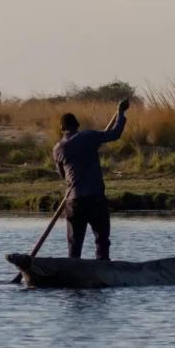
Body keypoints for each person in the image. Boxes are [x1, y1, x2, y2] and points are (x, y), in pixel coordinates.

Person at [53, 99, 130, 260]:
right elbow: (115, 134)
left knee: (74, 245)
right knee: (102, 240)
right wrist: (120, 112)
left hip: (74, 200)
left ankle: (73, 269)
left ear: (62, 129)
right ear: (78, 125)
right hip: (95, 198)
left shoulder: (58, 148)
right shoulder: (89, 136)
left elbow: (63, 175)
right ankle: (102, 266)